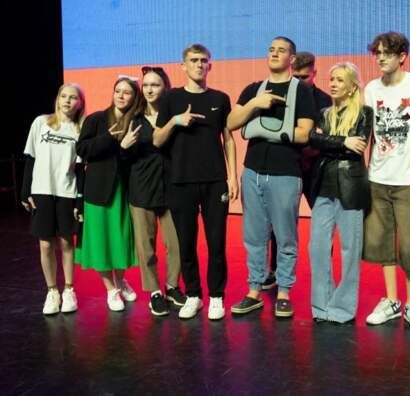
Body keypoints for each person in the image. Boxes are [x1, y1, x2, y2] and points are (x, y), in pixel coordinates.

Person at [227, 36, 315, 318]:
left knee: (286, 237)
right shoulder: (254, 90)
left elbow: (304, 133)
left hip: (285, 173)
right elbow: (231, 123)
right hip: (252, 172)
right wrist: (256, 104)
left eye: (281, 50)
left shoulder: (301, 91)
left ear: (292, 58)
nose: (274, 53)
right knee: (254, 237)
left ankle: (284, 292)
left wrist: (262, 130)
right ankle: (254, 291)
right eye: (271, 49)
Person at [154, 44, 237, 320]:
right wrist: (176, 121)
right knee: (186, 243)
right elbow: (157, 140)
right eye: (193, 60)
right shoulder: (171, 98)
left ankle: (216, 296)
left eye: (203, 61)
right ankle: (193, 295)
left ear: (209, 65)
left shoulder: (220, 98)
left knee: (217, 243)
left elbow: (228, 139)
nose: (199, 65)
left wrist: (232, 176)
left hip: (215, 182)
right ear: (183, 65)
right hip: (181, 181)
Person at [362, 31, 410, 332]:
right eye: (377, 53)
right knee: (382, 242)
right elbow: (369, 133)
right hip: (378, 177)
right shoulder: (371, 88)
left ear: (402, 56)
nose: (381, 58)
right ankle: (391, 300)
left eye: (387, 53)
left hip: (407, 180)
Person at [308, 62, 372, 324]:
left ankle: (343, 309)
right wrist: (343, 140)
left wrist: (329, 141)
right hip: (323, 186)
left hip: (350, 187)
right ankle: (321, 306)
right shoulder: (324, 113)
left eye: (339, 80)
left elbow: (358, 147)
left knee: (350, 250)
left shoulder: (364, 113)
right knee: (318, 248)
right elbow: (313, 139)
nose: (333, 84)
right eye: (332, 79)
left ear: (352, 87)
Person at [262, 51, 332, 291]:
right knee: (278, 222)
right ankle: (274, 270)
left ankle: (323, 272)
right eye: (297, 77)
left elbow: (327, 136)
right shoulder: (283, 95)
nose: (300, 81)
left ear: (314, 73)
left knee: (323, 223)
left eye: (305, 77)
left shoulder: (325, 101)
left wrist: (312, 145)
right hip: (288, 166)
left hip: (315, 169)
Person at [75, 77, 143, 311]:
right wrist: (110, 140)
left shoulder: (136, 122)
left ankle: (121, 280)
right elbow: (82, 150)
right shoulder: (96, 119)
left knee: (121, 239)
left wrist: (125, 149)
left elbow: (134, 160)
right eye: (117, 91)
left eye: (127, 92)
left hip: (125, 190)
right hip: (98, 190)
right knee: (101, 241)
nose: (121, 96)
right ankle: (111, 289)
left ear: (134, 97)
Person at [126, 66, 186, 317]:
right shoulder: (133, 118)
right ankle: (154, 292)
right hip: (142, 187)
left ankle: (172, 286)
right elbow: (124, 154)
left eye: (155, 85)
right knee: (146, 245)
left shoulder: (175, 116)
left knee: (177, 242)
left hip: (172, 186)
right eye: (146, 85)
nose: (149, 89)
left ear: (165, 87)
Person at [21, 83, 85, 315]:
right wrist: (25, 191)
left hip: (67, 191)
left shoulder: (80, 130)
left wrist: (79, 200)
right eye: (63, 96)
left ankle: (69, 290)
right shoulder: (41, 123)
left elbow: (80, 169)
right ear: (57, 99)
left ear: (80, 103)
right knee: (46, 244)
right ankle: (52, 291)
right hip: (42, 191)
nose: (67, 100)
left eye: (73, 97)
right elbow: (30, 158)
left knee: (67, 242)